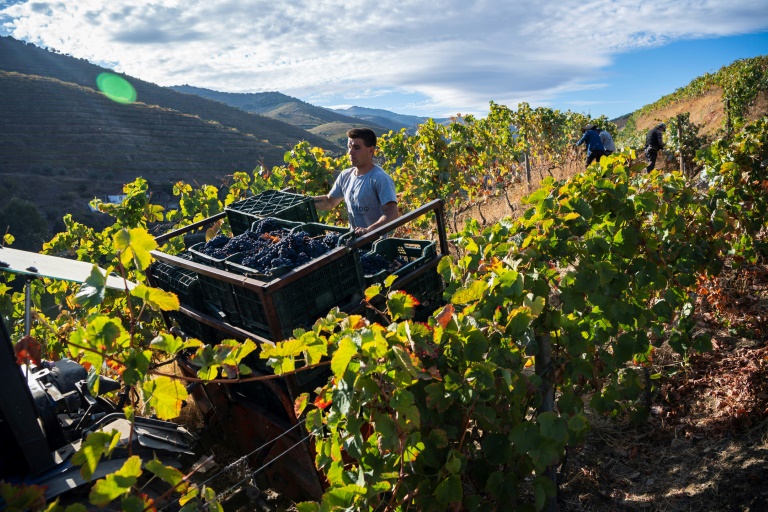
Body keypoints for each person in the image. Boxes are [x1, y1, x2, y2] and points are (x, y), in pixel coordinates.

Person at [313, 128, 398, 235]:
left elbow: (392, 213)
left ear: (371, 150)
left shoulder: (380, 178)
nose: (350, 152)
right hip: (354, 242)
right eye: (349, 147)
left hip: (374, 245)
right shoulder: (345, 175)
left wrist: (369, 230)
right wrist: (305, 202)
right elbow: (329, 202)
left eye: (356, 148)